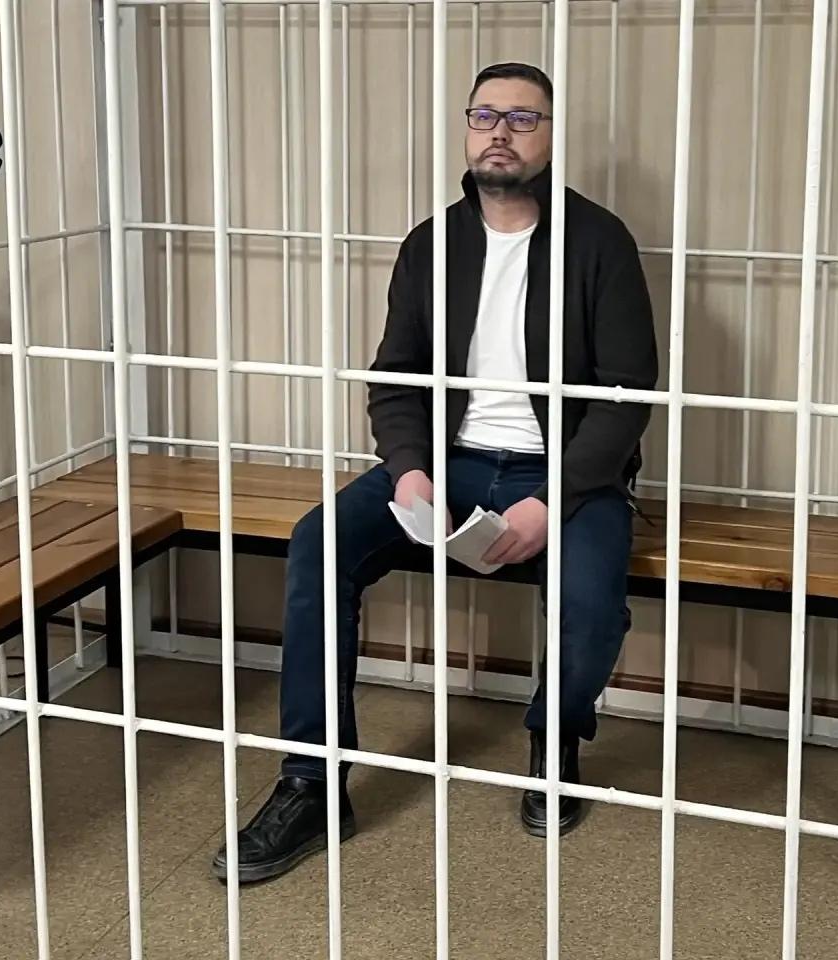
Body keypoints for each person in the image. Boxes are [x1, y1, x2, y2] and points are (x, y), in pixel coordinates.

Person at [213, 61, 658, 885]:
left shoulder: (600, 242)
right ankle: (311, 782)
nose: (501, 132)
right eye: (485, 115)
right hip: (448, 463)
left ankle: (553, 742)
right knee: (319, 543)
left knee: (592, 600)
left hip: (565, 471)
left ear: (550, 135)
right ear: (466, 129)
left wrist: (550, 499)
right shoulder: (433, 243)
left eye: (523, 118)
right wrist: (410, 473)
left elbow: (627, 398)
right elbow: (396, 379)